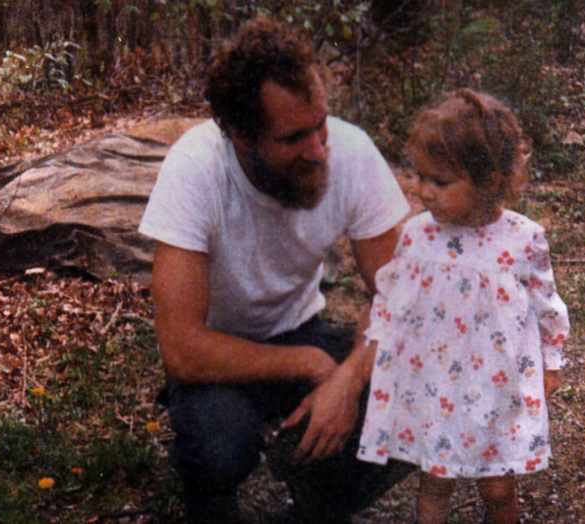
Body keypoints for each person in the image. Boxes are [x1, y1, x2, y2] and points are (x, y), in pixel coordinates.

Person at [138, 15, 414, 524]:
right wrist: (311, 365)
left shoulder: (350, 153)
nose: (317, 151)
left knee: (427, 383)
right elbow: (181, 349)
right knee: (220, 449)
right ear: (241, 137)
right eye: (292, 139)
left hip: (302, 328)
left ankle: (316, 497)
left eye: (320, 125)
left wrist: (348, 380)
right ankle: (211, 496)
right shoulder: (196, 168)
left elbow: (406, 297)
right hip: (220, 357)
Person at [355, 89, 570, 524]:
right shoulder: (418, 236)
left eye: (440, 181)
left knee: (496, 484)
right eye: (419, 177)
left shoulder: (521, 239)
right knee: (436, 480)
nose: (424, 191)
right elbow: (393, 298)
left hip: (498, 380)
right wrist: (378, 347)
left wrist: (551, 363)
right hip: (438, 382)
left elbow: (547, 306)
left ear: (488, 179)